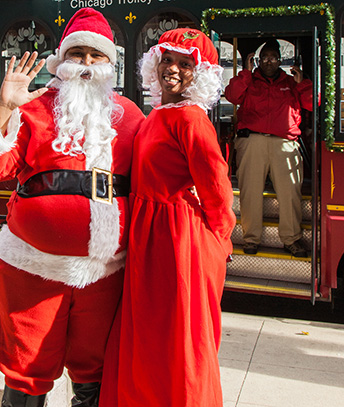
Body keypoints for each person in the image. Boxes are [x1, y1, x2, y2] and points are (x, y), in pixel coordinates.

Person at [0, 8, 144, 407]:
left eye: (96, 56)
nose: (86, 64)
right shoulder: (33, 107)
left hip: (104, 274)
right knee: (27, 372)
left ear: (110, 64)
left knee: (95, 371)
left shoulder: (130, 116)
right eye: (77, 53)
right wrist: (5, 109)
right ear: (60, 61)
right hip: (32, 271)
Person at [100, 28, 236, 407]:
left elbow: (217, 189)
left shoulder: (191, 119)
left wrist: (217, 243)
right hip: (154, 237)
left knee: (175, 337)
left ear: (200, 72)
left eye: (185, 63)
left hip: (176, 242)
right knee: (154, 335)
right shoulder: (162, 113)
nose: (172, 69)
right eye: (168, 60)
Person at [225, 38, 313, 257]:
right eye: (264, 57)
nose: (269, 61)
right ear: (258, 60)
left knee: (290, 192)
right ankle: (251, 238)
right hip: (253, 141)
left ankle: (291, 238)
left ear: (280, 60)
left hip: (284, 143)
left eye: (273, 57)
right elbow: (232, 96)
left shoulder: (292, 82)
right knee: (250, 191)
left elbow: (313, 103)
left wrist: (303, 83)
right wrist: (245, 73)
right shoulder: (249, 81)